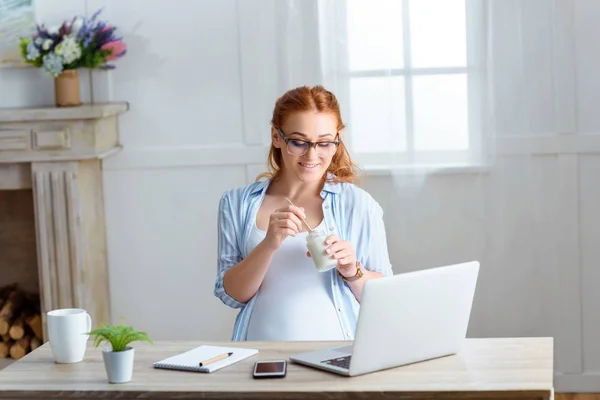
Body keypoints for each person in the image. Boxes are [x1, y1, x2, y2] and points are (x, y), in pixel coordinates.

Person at [214, 85, 393, 341]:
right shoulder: (235, 203)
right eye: (299, 142)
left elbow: (385, 296)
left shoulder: (359, 205)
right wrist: (268, 245)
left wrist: (353, 270)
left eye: (324, 143)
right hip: (261, 356)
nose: (312, 155)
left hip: (338, 357)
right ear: (276, 137)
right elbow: (231, 295)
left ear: (337, 140)